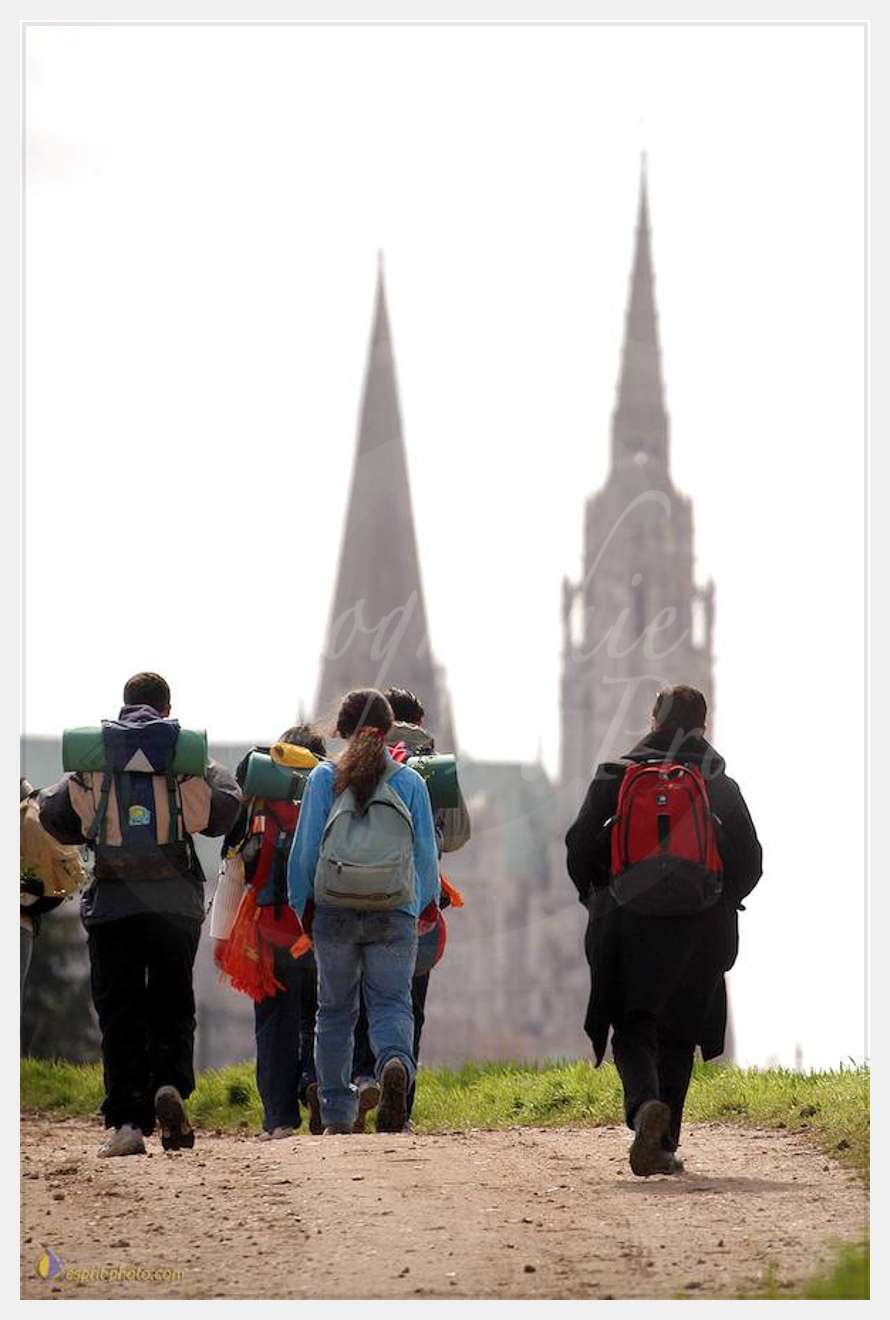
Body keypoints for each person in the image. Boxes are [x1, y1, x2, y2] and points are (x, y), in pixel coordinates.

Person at [39, 672, 242, 1158]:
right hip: (174, 906)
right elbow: (225, 809)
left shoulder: (96, 755)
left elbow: (53, 813)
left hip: (112, 907)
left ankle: (128, 1123)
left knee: (120, 1012)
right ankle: (170, 1088)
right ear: (167, 709)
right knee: (173, 1004)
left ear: (124, 704)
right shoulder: (185, 756)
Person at [565, 684, 762, 1177]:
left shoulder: (615, 775)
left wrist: (599, 896)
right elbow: (751, 860)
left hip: (629, 923)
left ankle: (644, 1109)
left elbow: (579, 846)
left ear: (653, 722)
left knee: (632, 1027)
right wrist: (721, 899)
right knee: (680, 1033)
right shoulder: (717, 783)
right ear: (703, 726)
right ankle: (665, 1141)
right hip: (702, 928)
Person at [287, 688, 440, 1135]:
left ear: (341, 730)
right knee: (392, 1002)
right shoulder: (411, 782)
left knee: (334, 1011)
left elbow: (304, 853)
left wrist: (303, 908)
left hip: (333, 909)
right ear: (390, 729)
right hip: (394, 909)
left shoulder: (322, 778)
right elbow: (426, 857)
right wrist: (421, 907)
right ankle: (393, 1064)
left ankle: (337, 1112)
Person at [351, 685, 471, 1131]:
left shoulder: (355, 758)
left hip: (355, 899)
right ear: (420, 721)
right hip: (414, 904)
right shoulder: (432, 766)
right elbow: (456, 835)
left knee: (356, 1000)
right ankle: (400, 1093)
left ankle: (359, 1084)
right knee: (409, 1003)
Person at [212, 724, 328, 1140]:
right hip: (321, 930)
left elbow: (232, 869)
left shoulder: (257, 804)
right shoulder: (330, 795)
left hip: (271, 930)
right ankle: (314, 1082)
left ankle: (279, 1118)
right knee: (322, 1015)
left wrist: (221, 937)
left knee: (275, 1023)